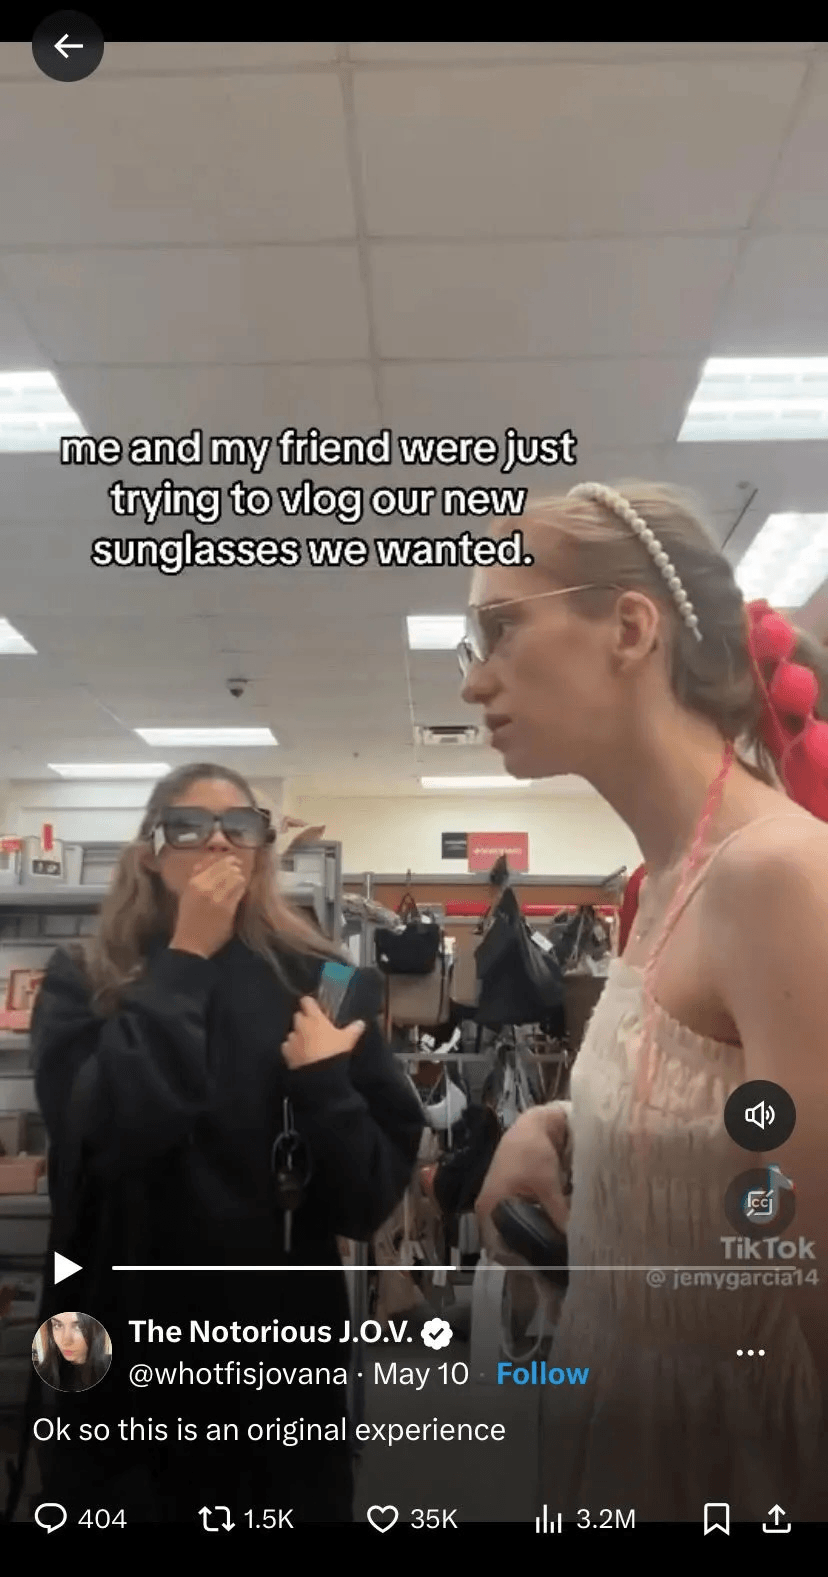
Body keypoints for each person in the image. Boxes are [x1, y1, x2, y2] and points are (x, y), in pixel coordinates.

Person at [460, 480, 828, 1523]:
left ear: (629, 627)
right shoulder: (662, 884)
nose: (476, 680)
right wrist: (555, 1122)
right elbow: (718, 1111)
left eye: (501, 627)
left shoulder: (777, 878)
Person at [29, 764, 423, 1524]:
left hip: (274, 1359)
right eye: (187, 826)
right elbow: (108, 1137)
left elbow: (368, 1197)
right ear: (149, 853)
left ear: (262, 850)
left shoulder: (325, 980)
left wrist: (327, 1087)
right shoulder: (84, 978)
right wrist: (186, 957)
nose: (216, 842)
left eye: (239, 826)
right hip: (118, 1348)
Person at [33, 1312, 111, 1393]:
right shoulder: (42, 1374)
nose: (66, 1341)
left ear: (95, 1329)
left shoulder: (105, 1366)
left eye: (79, 1326)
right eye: (57, 1325)